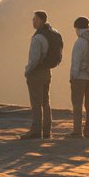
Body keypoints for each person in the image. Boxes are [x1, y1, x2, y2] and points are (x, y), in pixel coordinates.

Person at [21, 10, 61, 139]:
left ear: (40, 21)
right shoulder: (52, 34)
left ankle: (35, 130)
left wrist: (27, 71)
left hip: (36, 72)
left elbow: (34, 58)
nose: (32, 21)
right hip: (47, 72)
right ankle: (47, 131)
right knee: (46, 102)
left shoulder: (38, 37)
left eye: (34, 19)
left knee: (36, 103)